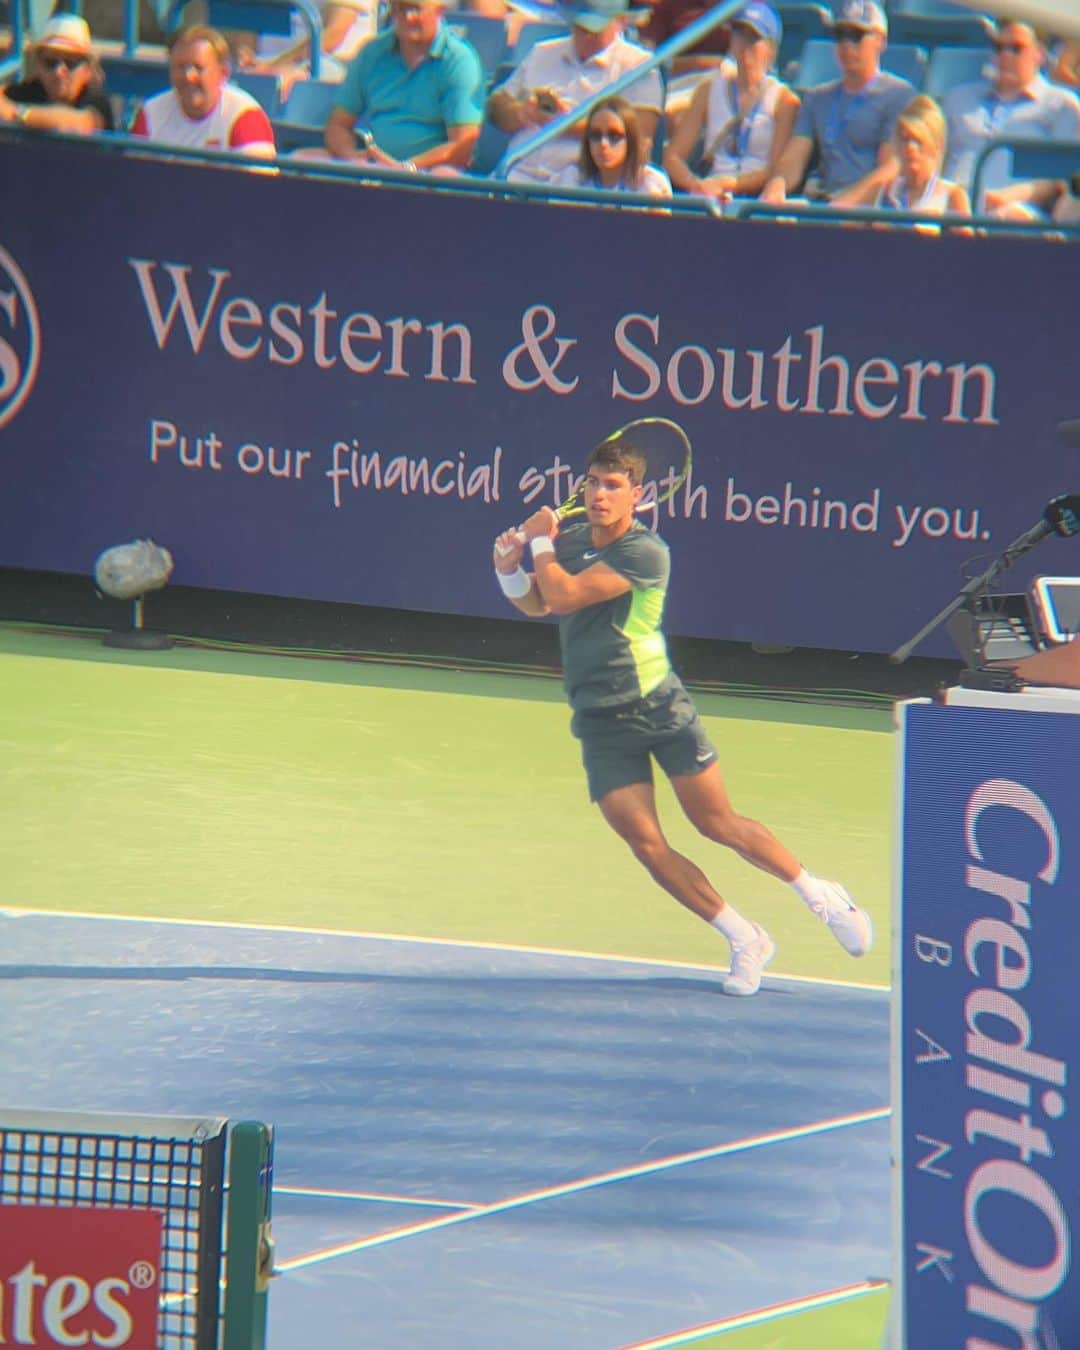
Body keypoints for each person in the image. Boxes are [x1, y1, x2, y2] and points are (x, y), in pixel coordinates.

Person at [491, 430, 873, 998]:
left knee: (715, 822)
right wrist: (508, 567)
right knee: (647, 845)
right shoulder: (569, 539)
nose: (599, 494)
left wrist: (539, 543)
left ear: (637, 495)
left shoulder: (645, 552)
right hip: (598, 719)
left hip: (657, 706)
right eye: (592, 483)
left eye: (613, 486)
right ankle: (745, 937)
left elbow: (568, 596)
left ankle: (819, 894)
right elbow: (540, 603)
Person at [487, 0, 664, 185]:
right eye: (579, 27)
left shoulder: (640, 65)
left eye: (594, 30)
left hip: (582, 187)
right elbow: (496, 103)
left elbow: (640, 134)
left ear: (621, 21)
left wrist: (564, 123)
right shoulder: (543, 52)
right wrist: (520, 112)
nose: (585, 36)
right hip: (514, 174)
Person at [760, 0, 913, 208]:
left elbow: (890, 168)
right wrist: (777, 184)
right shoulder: (817, 97)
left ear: (880, 41)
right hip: (821, 200)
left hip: (868, 210)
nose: (847, 45)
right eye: (841, 36)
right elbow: (796, 155)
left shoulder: (898, 95)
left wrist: (844, 204)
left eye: (856, 36)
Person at [324, 0, 485, 171]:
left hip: (430, 174)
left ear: (439, 10)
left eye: (415, 9)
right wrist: (352, 157)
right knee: (303, 157)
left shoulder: (459, 61)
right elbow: (338, 124)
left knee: (445, 173)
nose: (408, 17)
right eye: (400, 9)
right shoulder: (372, 52)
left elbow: (461, 148)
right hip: (373, 167)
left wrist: (405, 168)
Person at [942, 19, 1080, 219]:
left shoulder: (1060, 105)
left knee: (1011, 216)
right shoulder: (959, 98)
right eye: (999, 48)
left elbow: (1065, 177)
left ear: (1039, 53)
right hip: (950, 207)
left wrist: (1009, 197)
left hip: (1017, 212)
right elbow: (933, 155)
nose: (1006, 56)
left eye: (1016, 48)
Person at [664, 1, 798, 203]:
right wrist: (696, 184)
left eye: (753, 38)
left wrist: (727, 183)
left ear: (771, 48)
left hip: (755, 199)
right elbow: (673, 157)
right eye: (739, 34)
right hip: (711, 194)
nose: (744, 44)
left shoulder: (784, 100)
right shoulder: (708, 89)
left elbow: (775, 170)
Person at [131, 25, 276, 157]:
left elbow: (258, 185)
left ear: (223, 73)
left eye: (198, 68)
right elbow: (132, 177)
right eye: (180, 67)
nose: (189, 77)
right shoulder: (150, 114)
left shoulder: (246, 118)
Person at [0, 14, 114, 134]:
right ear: (38, 66)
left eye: (70, 63)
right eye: (50, 62)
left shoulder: (96, 100)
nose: (59, 71)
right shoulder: (33, 90)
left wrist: (17, 114)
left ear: (87, 70)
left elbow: (79, 123)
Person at [238, 0, 377, 95]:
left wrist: (274, 65)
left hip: (333, 65)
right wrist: (243, 52)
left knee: (281, 83)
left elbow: (333, 34)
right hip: (269, 60)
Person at [874, 93, 970, 223]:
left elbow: (966, 240)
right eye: (905, 140)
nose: (910, 148)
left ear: (936, 146)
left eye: (918, 141)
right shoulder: (887, 192)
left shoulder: (952, 195)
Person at [555, 95, 672, 195]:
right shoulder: (573, 177)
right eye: (595, 135)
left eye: (614, 136)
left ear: (630, 139)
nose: (603, 143)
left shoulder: (650, 181)